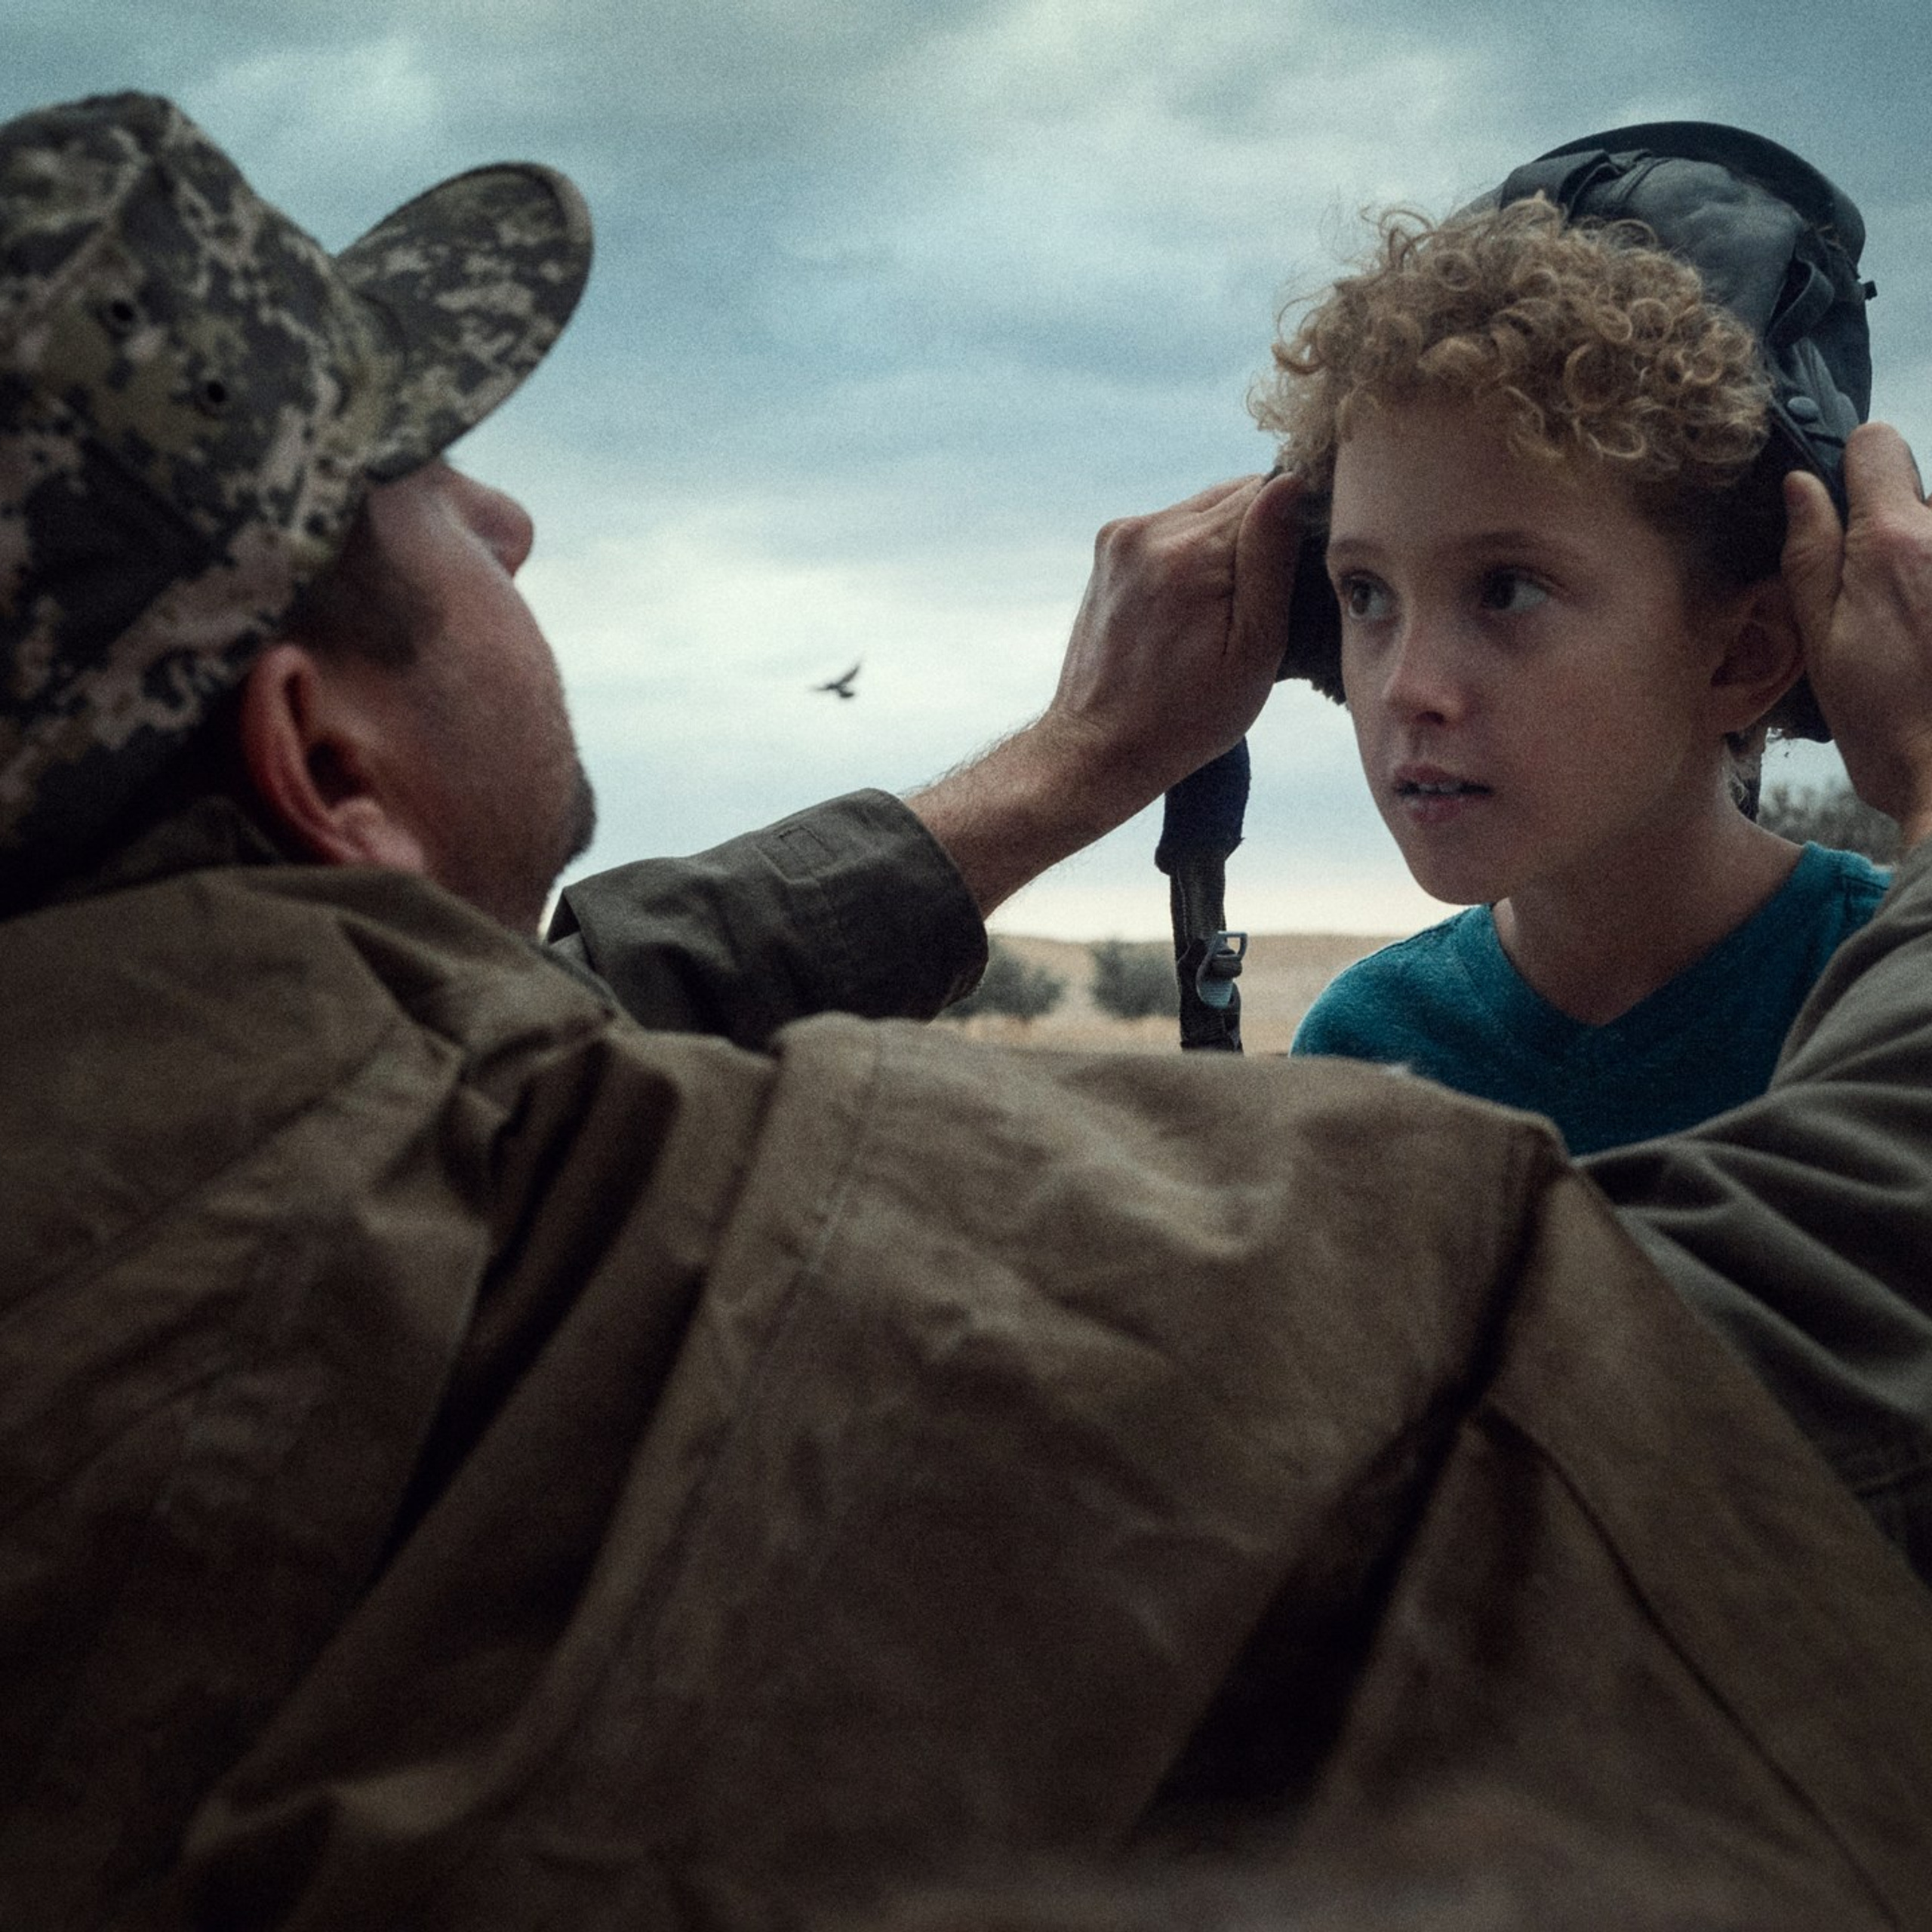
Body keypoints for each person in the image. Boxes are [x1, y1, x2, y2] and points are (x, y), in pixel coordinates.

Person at [6, 91, 1932, 1932]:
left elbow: (500, 1054)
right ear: (318, 764)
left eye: (1506, 585)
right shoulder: (641, 1309)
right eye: (411, 481)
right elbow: (1682, 1409)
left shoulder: (146, 1195)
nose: (507, 517)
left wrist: (1064, 770)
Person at [1268, 155, 1890, 1154]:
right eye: (1365, 593)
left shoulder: (1884, 997)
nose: (1407, 688)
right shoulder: (1369, 1045)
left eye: (1506, 588)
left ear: (1742, 657)